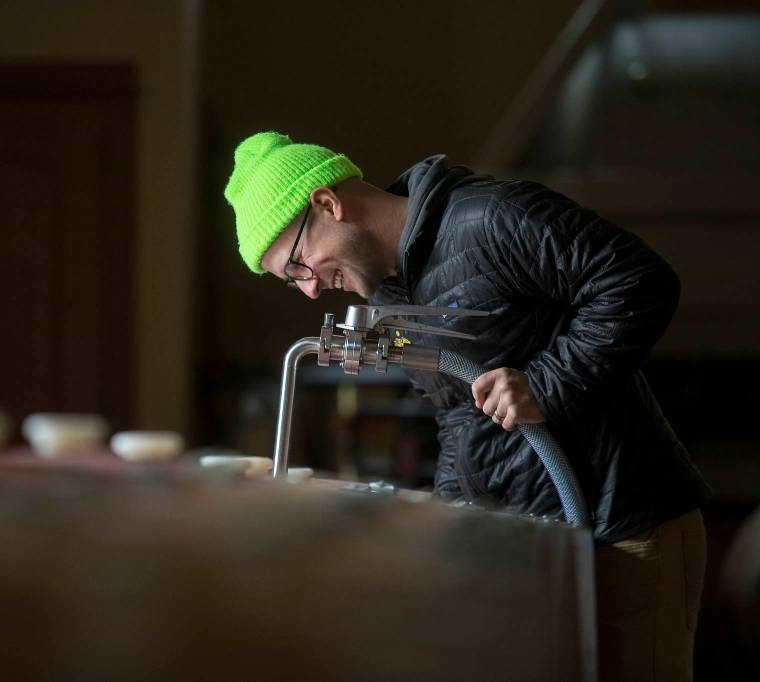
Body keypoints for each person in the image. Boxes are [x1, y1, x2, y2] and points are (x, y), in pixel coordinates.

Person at [224, 131, 710, 681]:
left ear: (328, 204)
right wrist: (453, 521)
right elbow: (458, 414)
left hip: (624, 526)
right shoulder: (390, 296)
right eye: (292, 284)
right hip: (542, 546)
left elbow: (639, 280)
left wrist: (545, 385)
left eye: (298, 266)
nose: (311, 291)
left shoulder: (492, 217)